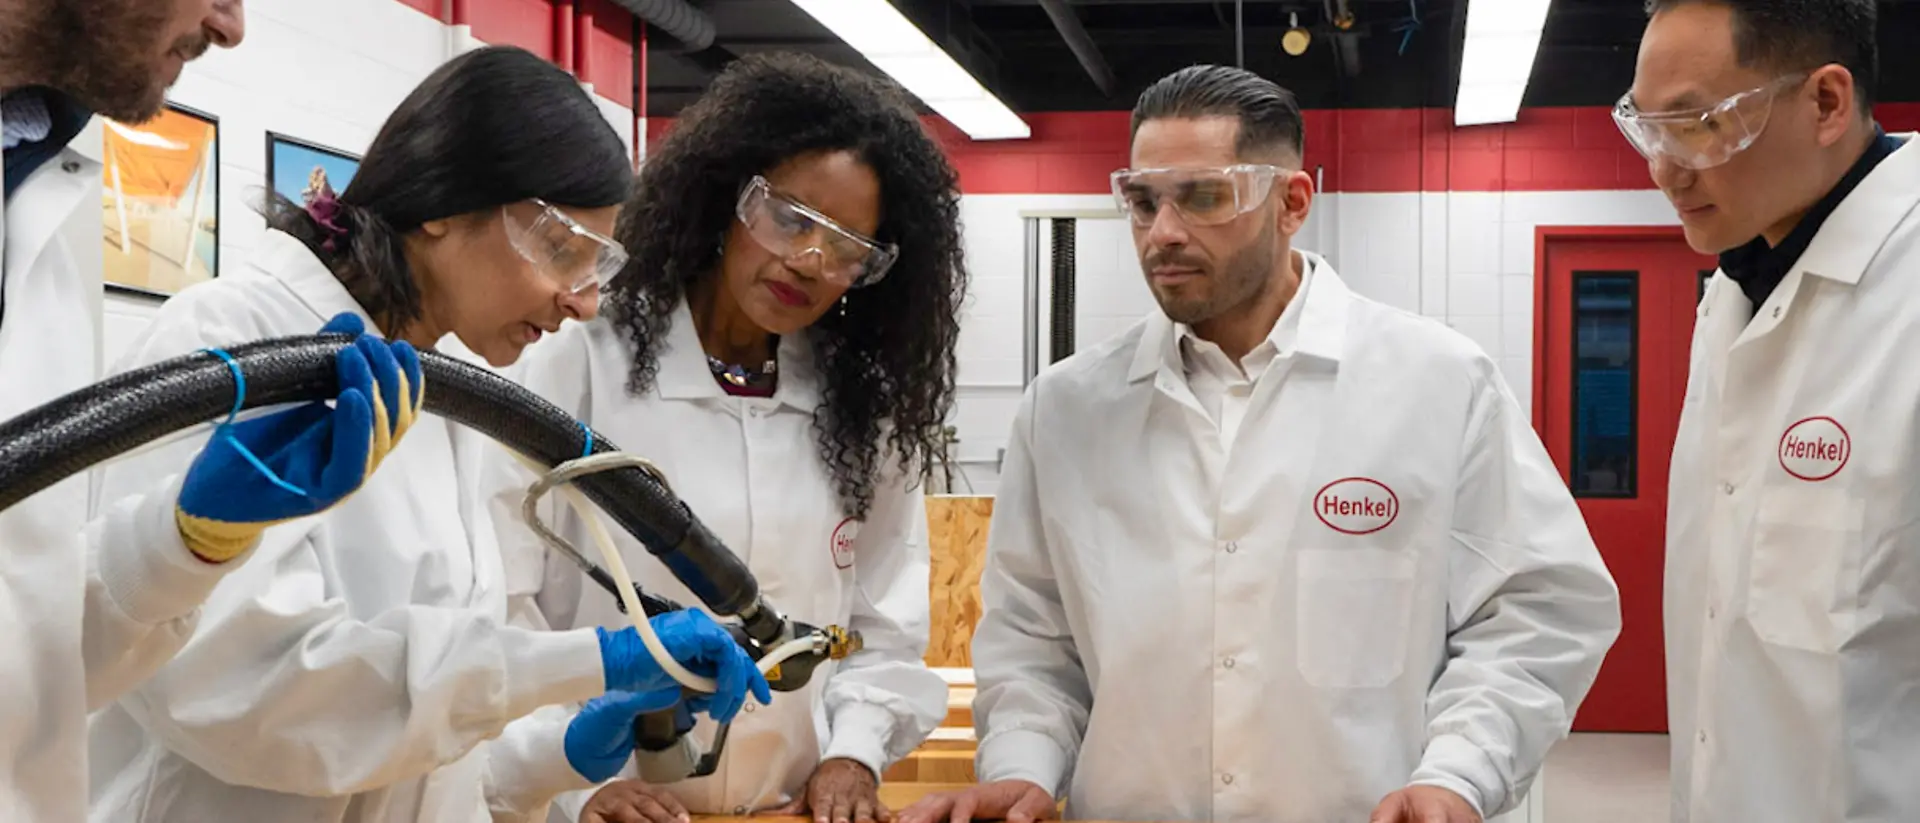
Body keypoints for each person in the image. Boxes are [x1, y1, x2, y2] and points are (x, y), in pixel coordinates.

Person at [898, 65, 1622, 823]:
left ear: (1292, 202)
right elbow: (1035, 639)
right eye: (1143, 201)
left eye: (1204, 196)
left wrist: (1460, 772)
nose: (1164, 232)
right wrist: (1024, 763)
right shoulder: (1068, 409)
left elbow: (1538, 609)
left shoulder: (1438, 382)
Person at [84, 45, 769, 823]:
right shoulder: (234, 342)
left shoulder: (441, 393)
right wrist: (586, 661)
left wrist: (555, 754)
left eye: (596, 266)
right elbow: (249, 699)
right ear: (443, 202)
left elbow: (415, 742)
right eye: (560, 251)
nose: (581, 302)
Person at [485, 51, 961, 823]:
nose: (808, 259)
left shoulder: (859, 412)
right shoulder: (577, 359)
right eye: (790, 217)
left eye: (846, 248)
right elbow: (500, 604)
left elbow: (885, 624)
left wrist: (855, 753)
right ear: (726, 198)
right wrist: (574, 781)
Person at [0, 2, 438, 820]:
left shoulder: (43, 186)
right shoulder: (215, 318)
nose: (232, 25)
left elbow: (30, 667)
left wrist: (182, 543)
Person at [1619, 1, 1920, 820]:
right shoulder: (1734, 289)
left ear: (1825, 102)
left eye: (1696, 124)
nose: (1664, 169)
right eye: (1646, 128)